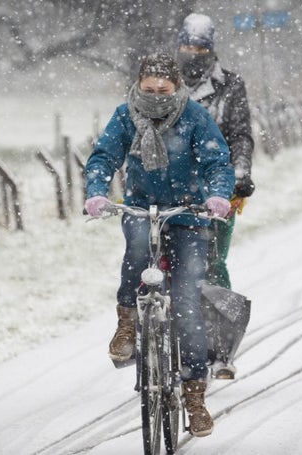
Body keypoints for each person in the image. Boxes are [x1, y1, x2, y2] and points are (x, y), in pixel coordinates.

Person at [84, 53, 234, 437]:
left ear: (176, 86)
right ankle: (126, 324)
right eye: (148, 89)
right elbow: (103, 157)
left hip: (188, 213)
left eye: (162, 90)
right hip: (140, 206)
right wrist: (97, 192)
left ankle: (195, 396)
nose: (154, 96)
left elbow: (217, 162)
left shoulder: (194, 116)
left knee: (186, 302)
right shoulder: (125, 115)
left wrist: (217, 196)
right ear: (138, 85)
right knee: (136, 249)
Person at [176, 13, 254, 379]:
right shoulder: (164, 84)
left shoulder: (231, 86)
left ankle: (221, 346)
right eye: (188, 46)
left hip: (217, 190)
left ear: (211, 48)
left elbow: (240, 134)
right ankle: (158, 336)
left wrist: (239, 174)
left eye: (201, 48)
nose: (194, 54)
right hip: (170, 189)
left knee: (211, 262)